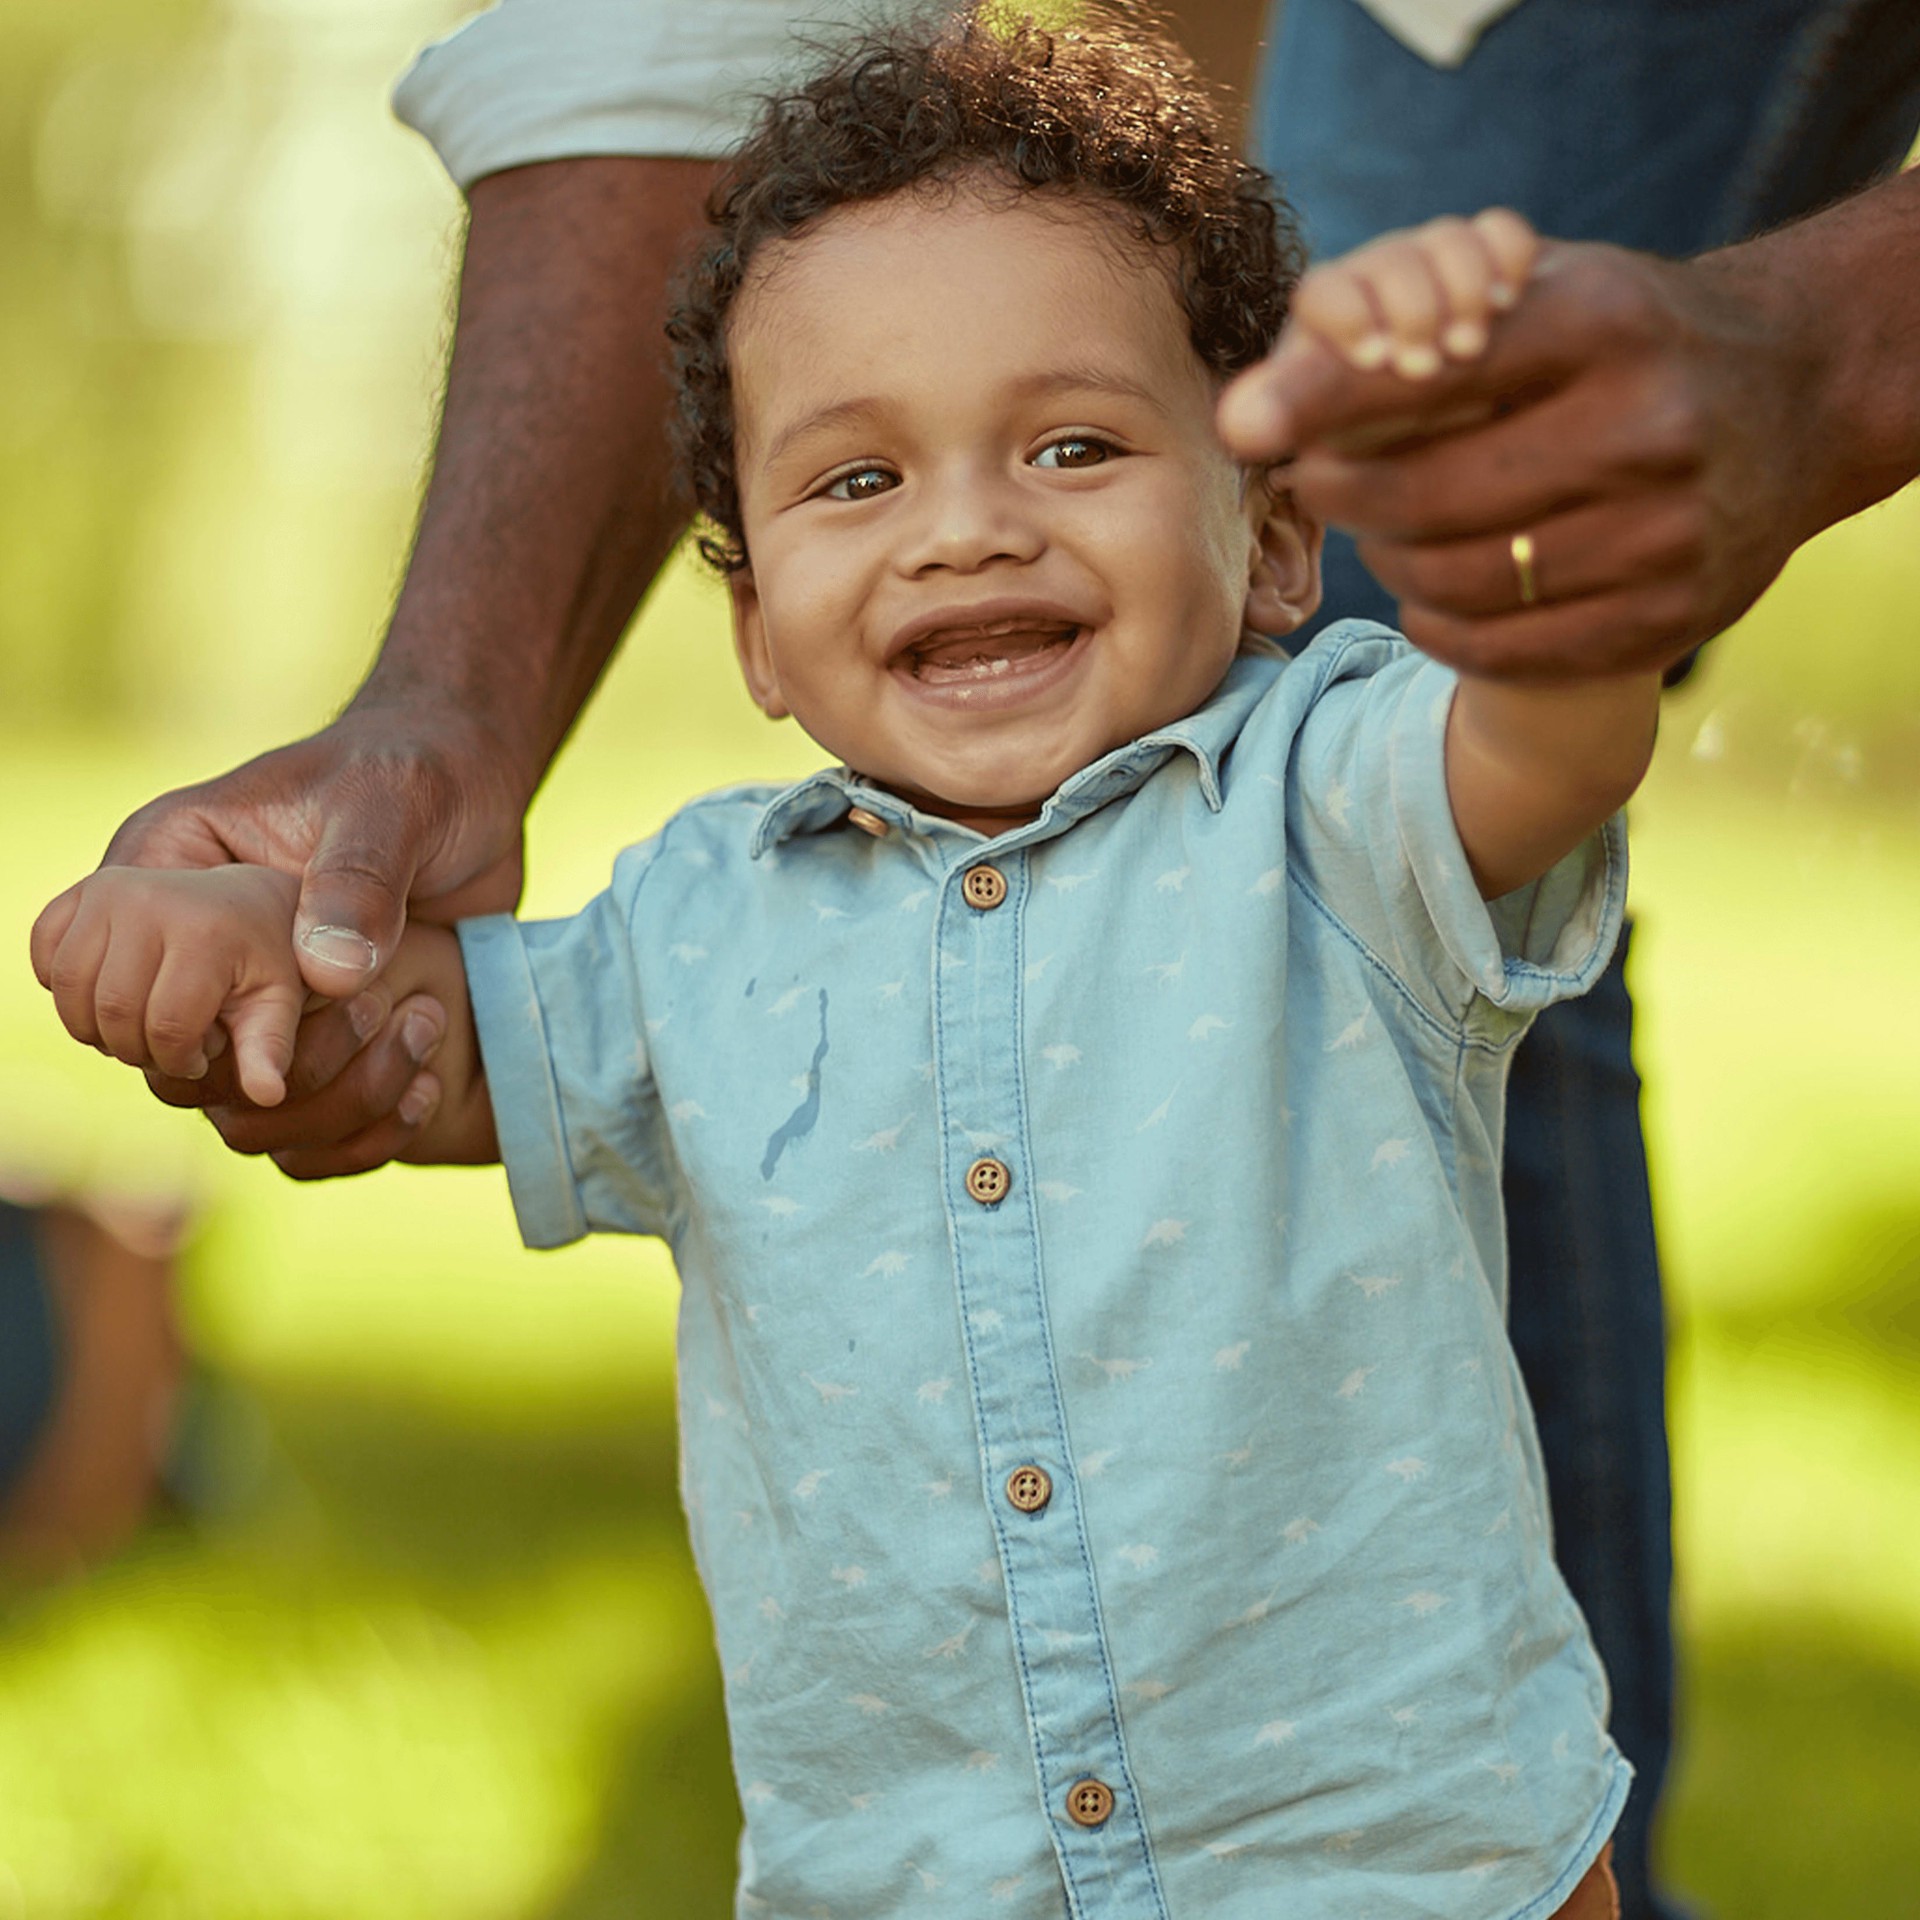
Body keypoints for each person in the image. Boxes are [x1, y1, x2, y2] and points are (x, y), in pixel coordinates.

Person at [91, 5, 1920, 1917]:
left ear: (1279, 538)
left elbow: (1550, 736)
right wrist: (254, 952)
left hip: (1399, 1865)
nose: (966, 528)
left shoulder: (1338, 797)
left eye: (1072, 444)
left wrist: (1525, 525)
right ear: (760, 640)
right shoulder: (700, 919)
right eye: (856, 481)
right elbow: (440, 1048)